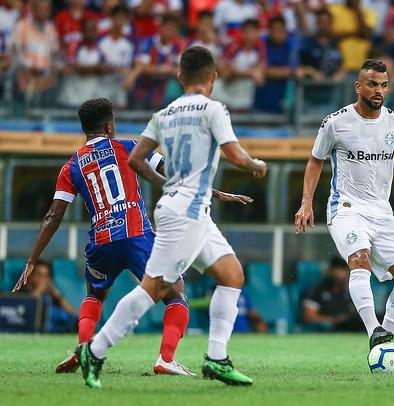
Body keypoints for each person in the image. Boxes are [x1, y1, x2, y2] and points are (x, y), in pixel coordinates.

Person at [75, 46, 268, 389]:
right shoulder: (214, 109)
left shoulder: (164, 114)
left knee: (232, 275)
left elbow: (136, 159)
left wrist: (167, 186)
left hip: (188, 209)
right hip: (187, 213)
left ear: (180, 78)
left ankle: (217, 358)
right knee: (156, 288)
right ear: (213, 77)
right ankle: (96, 350)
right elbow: (236, 155)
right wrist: (257, 165)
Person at [11, 98, 244, 376]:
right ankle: (165, 359)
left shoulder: (71, 166)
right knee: (176, 294)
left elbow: (52, 216)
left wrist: (32, 260)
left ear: (84, 128)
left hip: (101, 241)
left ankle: (84, 348)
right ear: (110, 126)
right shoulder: (128, 147)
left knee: (95, 294)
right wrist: (214, 192)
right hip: (136, 235)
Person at [295, 58, 394, 349]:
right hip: (346, 208)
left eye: (383, 85)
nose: (378, 90)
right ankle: (373, 330)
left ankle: (385, 338)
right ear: (358, 86)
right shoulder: (336, 122)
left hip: (382, 211)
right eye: (372, 84)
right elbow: (315, 161)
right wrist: (307, 203)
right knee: (359, 260)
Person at [301, 257, 361, 331]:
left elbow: (353, 312)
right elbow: (308, 317)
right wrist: (335, 320)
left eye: (344, 270)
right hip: (331, 328)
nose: (341, 275)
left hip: (351, 325)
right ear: (330, 271)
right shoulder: (317, 290)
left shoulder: (346, 292)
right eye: (338, 270)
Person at [253, 15, 298, 113]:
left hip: (283, 94)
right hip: (262, 95)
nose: (277, 34)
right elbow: (258, 68)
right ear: (269, 30)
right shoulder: (262, 43)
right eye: (274, 30)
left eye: (280, 30)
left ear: (285, 31)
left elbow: (295, 70)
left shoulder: (291, 45)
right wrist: (286, 72)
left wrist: (268, 71)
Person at [18, 260, 77, 333]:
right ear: (30, 276)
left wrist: (58, 296)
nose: (43, 280)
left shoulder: (51, 295)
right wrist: (38, 291)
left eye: (46, 276)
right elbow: (25, 312)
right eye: (39, 275)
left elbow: (74, 315)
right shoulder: (23, 291)